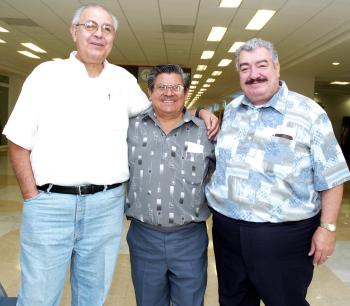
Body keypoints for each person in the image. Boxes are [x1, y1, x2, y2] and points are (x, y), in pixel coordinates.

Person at [2, 4, 218, 306]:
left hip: (106, 207)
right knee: (39, 295)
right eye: (90, 26)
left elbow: (160, 111)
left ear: (112, 38)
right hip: (51, 204)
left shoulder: (122, 81)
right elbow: (17, 140)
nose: (98, 34)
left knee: (92, 295)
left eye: (106, 29)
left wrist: (199, 112)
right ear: (74, 31)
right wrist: (31, 196)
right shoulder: (46, 75)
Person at [205, 38, 350, 306]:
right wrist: (202, 111)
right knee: (233, 301)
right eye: (245, 68)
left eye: (261, 65)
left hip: (284, 237)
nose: (253, 74)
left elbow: (332, 176)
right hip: (227, 231)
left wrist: (328, 228)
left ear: (277, 68)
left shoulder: (309, 113)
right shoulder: (234, 111)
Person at [125, 64, 215, 306]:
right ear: (150, 91)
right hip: (144, 237)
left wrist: (202, 112)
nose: (169, 93)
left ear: (185, 92)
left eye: (175, 87)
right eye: (162, 87)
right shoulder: (129, 127)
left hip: (189, 238)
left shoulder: (206, 132)